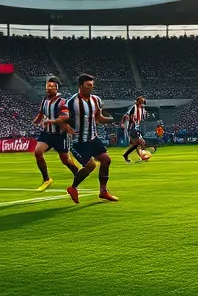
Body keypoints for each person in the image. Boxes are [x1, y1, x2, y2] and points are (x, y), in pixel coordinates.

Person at [64, 74, 118, 203]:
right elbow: (62, 119)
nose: (91, 88)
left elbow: (98, 117)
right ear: (80, 86)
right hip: (78, 142)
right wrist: (67, 129)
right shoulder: (71, 102)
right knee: (91, 166)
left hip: (93, 138)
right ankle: (73, 188)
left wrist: (111, 119)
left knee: (106, 160)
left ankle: (103, 191)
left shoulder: (96, 100)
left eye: (92, 85)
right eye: (88, 85)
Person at [31, 76, 78, 190]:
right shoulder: (44, 101)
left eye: (52, 86)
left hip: (59, 135)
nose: (49, 88)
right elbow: (41, 113)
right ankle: (47, 179)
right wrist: (36, 121)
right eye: (48, 86)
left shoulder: (62, 102)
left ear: (56, 88)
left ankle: (77, 173)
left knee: (65, 160)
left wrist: (50, 121)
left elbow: (64, 118)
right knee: (38, 152)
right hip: (47, 133)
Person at [121, 96, 150, 162]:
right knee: (142, 142)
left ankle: (126, 155)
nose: (142, 104)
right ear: (138, 102)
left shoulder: (142, 109)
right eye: (141, 102)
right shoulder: (134, 108)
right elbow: (125, 116)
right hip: (132, 128)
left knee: (135, 145)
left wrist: (147, 115)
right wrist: (122, 123)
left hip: (136, 127)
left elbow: (144, 116)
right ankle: (142, 157)